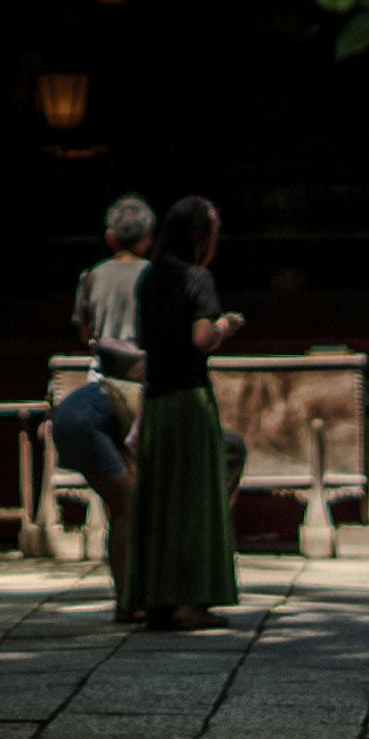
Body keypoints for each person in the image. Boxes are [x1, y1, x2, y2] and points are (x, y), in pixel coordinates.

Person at [118, 192, 243, 627]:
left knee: (159, 499)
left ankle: (156, 598)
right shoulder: (198, 280)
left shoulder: (150, 278)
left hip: (156, 402)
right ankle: (189, 601)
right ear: (200, 237)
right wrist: (226, 325)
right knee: (193, 498)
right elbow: (201, 338)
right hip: (189, 400)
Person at [49, 197, 153, 569]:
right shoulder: (153, 275)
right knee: (136, 492)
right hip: (142, 382)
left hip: (102, 378)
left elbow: (84, 330)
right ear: (148, 238)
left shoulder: (92, 276)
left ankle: (128, 585)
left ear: (110, 237)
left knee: (120, 499)